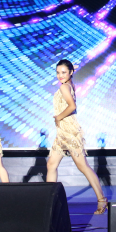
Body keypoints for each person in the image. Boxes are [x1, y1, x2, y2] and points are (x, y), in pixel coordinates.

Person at [46, 59, 107, 214]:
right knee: (51, 165)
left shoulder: (64, 86)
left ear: (71, 72)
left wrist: (58, 117)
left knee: (83, 166)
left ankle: (101, 199)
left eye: (63, 72)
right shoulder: (68, 84)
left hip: (70, 132)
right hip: (62, 133)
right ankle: (48, 201)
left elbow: (72, 106)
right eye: (58, 72)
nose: (60, 75)